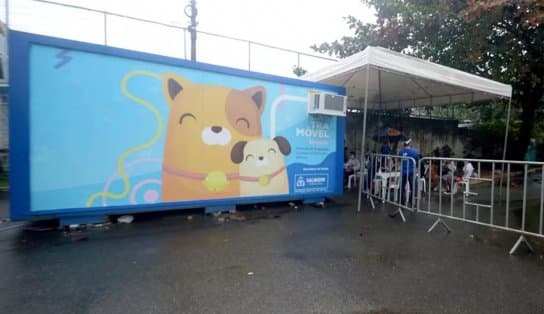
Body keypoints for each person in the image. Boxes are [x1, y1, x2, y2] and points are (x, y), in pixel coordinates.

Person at [397, 138, 420, 207]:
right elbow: (418, 160)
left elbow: (399, 160)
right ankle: (412, 201)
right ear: (410, 144)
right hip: (411, 172)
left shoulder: (401, 152)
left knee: (401, 187)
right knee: (414, 187)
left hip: (403, 171)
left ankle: (401, 202)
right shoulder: (414, 152)